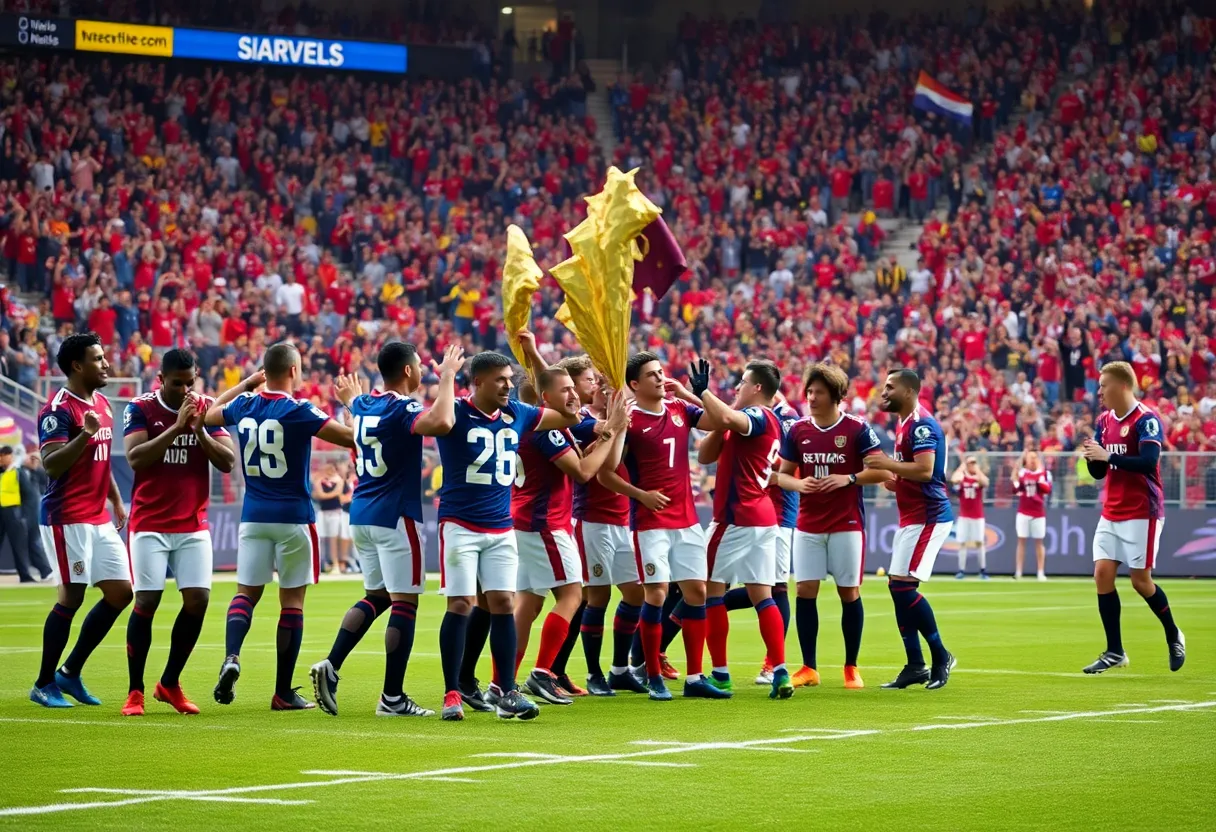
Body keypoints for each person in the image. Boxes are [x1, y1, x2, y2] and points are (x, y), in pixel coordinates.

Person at [310, 343, 465, 718]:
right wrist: (447, 376)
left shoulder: (363, 405)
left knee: (377, 595)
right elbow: (442, 423)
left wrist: (351, 403)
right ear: (410, 371)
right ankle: (392, 698)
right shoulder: (402, 407)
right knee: (405, 603)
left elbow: (359, 422)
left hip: (362, 512)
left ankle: (331, 664)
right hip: (396, 514)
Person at [203, 342, 356, 710]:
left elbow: (208, 415)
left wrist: (245, 384)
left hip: (253, 515)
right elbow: (352, 438)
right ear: (292, 371)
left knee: (245, 594)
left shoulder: (245, 405)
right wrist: (353, 404)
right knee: (292, 602)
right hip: (293, 518)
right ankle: (283, 692)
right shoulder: (299, 409)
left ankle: (232, 657)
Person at [433, 350, 576, 722]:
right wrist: (447, 375)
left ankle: (507, 691)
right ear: (477, 382)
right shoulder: (456, 411)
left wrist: (565, 391)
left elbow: (568, 417)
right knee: (462, 604)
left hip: (501, 525)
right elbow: (439, 419)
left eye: (510, 379)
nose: (508, 386)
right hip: (460, 523)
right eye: (500, 379)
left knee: (502, 603)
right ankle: (452, 691)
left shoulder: (519, 412)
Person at [600, 351, 730, 702]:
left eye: (661, 372)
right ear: (634, 384)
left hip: (686, 520)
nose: (660, 377)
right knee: (656, 594)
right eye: (651, 374)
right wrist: (639, 495)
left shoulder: (680, 410)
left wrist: (695, 393)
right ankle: (652, 674)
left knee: (697, 593)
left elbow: (721, 423)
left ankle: (694, 677)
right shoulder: (630, 418)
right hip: (650, 521)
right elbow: (607, 472)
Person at [120, 349, 238, 716]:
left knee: (198, 601)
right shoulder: (138, 408)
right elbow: (135, 458)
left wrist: (199, 429)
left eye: (191, 382)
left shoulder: (205, 407)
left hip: (192, 523)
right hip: (150, 523)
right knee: (147, 602)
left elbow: (228, 461)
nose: (186, 389)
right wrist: (175, 428)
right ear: (161, 379)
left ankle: (168, 682)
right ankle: (135, 691)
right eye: (177, 383)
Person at [512, 367, 627, 705]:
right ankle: (543, 672)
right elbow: (584, 472)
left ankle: (502, 680)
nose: (575, 394)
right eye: (566, 390)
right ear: (544, 398)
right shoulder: (547, 431)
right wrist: (611, 432)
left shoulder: (536, 424)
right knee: (573, 595)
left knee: (528, 603)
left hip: (527, 518)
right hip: (544, 521)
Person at [30, 332, 132, 709]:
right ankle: (43, 683)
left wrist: (117, 502)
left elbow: (102, 463)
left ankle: (69, 673)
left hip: (98, 515)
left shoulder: (103, 403)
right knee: (71, 597)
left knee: (121, 593)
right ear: (77, 365)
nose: (106, 364)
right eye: (98, 358)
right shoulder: (58, 410)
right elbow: (52, 464)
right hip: (65, 516)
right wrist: (84, 435)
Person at [775, 363, 890, 690]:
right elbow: (783, 474)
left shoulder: (856, 428)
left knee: (848, 591)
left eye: (819, 392)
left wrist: (849, 478)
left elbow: (882, 472)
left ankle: (851, 666)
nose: (811, 397)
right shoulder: (797, 430)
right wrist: (798, 486)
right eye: (809, 392)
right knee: (804, 590)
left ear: (835, 395)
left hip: (846, 523)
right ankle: (809, 667)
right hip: (808, 522)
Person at [694, 357, 795, 700]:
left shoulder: (758, 416)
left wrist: (704, 393)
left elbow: (725, 416)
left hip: (736, 517)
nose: (736, 388)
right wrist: (719, 418)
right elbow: (706, 454)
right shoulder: (750, 422)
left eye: (741, 383)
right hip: (763, 518)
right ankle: (780, 671)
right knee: (761, 594)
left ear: (757, 388)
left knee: (711, 591)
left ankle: (720, 673)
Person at [1079, 361, 1185, 674]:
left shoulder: (1147, 419)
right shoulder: (1103, 420)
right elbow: (1100, 470)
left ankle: (1173, 634)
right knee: (1102, 574)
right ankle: (1115, 651)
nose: (1099, 392)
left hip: (1143, 510)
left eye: (1104, 385)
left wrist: (1108, 455)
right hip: (1111, 509)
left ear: (1123, 386)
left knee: (1140, 581)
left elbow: (1149, 461)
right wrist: (1093, 458)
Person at [863, 368, 957, 690]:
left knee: (904, 589)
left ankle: (940, 655)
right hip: (911, 516)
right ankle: (915, 665)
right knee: (896, 588)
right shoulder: (904, 423)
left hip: (929, 516)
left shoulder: (921, 424)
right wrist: (897, 480)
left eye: (890, 387)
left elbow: (926, 470)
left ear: (908, 390)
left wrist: (888, 464)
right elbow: (913, 472)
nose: (884, 392)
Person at [571, 371, 649, 697]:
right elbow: (607, 468)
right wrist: (616, 425)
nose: (609, 394)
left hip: (621, 521)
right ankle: (593, 673)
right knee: (598, 597)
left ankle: (619, 669)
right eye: (604, 390)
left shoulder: (619, 423)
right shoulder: (581, 423)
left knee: (635, 594)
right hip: (592, 520)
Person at [0, 445, 44, 582]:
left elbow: (29, 495)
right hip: (2, 512)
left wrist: (24, 515)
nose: (1, 459)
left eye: (2, 456)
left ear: (9, 456)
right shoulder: (3, 471)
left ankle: (25, 575)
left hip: (14, 512)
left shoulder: (18, 471)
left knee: (19, 546)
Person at [1012, 449, 1052, 581]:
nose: (1032, 460)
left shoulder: (1044, 474)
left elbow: (1047, 489)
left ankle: (1040, 571)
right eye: (1030, 458)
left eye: (1035, 457)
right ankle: (1018, 571)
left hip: (1038, 512)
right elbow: (1015, 489)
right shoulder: (1023, 473)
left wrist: (1040, 480)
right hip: (1023, 511)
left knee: (1039, 542)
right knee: (1021, 541)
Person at [950, 456, 990, 580]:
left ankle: (982, 570)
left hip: (977, 516)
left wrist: (978, 470)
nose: (972, 465)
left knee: (979, 542)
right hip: (964, 515)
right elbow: (954, 479)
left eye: (974, 463)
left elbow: (986, 482)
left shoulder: (978, 478)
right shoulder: (962, 478)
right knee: (962, 542)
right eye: (970, 463)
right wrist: (962, 467)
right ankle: (961, 570)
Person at [312, 464, 345, 573]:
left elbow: (337, 492)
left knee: (333, 538)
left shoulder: (338, 480)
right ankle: (322, 562)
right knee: (321, 538)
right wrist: (327, 495)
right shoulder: (320, 480)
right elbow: (319, 494)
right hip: (323, 511)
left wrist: (324, 495)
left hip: (334, 511)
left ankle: (335, 563)